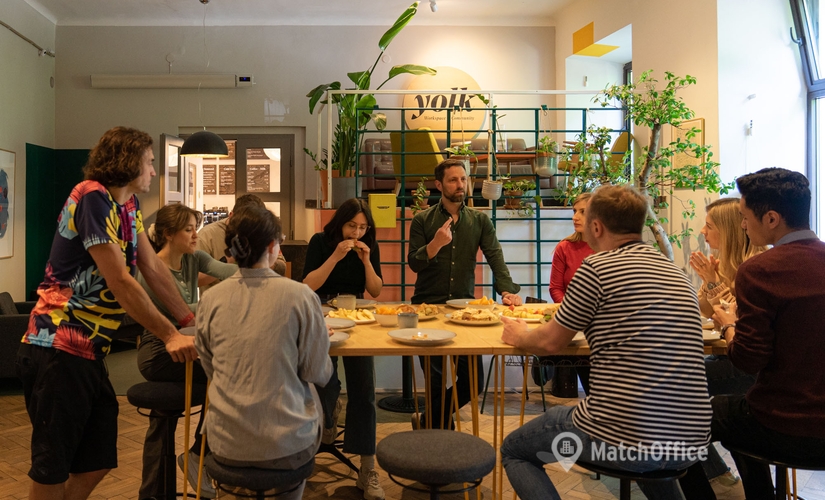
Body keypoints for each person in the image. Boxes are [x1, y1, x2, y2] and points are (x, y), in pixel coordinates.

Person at [16, 127, 199, 500]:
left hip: (89, 349)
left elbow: (152, 267)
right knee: (53, 465)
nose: (153, 171)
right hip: (57, 345)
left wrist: (188, 322)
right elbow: (119, 280)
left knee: (97, 460)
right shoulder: (92, 198)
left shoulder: (128, 205)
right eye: (149, 162)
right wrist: (168, 335)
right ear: (129, 162)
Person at [500, 185, 711, 500]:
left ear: (596, 227)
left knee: (514, 450)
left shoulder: (597, 268)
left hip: (624, 438)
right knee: (647, 451)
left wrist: (519, 335)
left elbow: (550, 343)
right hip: (691, 442)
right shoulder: (676, 273)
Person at [680, 168, 825, 500]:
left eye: (745, 217)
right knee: (737, 412)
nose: (743, 226)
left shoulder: (759, 270)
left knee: (682, 422)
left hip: (786, 424)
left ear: (771, 218)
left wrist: (729, 325)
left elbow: (747, 360)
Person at [195, 205, 333, 500]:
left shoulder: (210, 300)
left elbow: (210, 367)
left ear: (232, 250)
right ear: (272, 247)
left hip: (225, 443)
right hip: (288, 445)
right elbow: (317, 372)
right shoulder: (301, 296)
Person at [408, 158, 522, 430]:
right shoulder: (422, 220)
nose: (460, 185)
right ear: (439, 185)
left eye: (463, 179)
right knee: (435, 381)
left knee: (473, 382)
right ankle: (439, 435)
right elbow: (414, 263)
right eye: (453, 180)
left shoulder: (480, 220)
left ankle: (429, 420)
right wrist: (435, 245)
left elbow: (495, 256)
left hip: (465, 311)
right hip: (427, 310)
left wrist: (507, 290)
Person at [136, 204, 238, 499]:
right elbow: (183, 313)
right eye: (189, 230)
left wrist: (260, 267)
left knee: (224, 375)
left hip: (187, 345)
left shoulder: (194, 258)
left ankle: (195, 457)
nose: (196, 235)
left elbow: (229, 271)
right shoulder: (152, 270)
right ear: (169, 234)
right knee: (227, 376)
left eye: (196, 228)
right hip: (160, 352)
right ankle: (198, 456)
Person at [302, 198, 384, 500]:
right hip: (322, 314)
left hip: (358, 316)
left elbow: (375, 290)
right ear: (340, 223)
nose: (357, 233)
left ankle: (367, 466)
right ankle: (327, 417)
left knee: (364, 388)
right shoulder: (320, 242)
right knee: (322, 380)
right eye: (352, 226)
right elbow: (308, 285)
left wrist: (366, 261)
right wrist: (336, 257)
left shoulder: (368, 245)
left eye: (363, 227)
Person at [688, 197, 765, 487]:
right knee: (677, 391)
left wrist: (714, 284)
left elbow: (738, 319)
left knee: (672, 390)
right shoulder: (723, 263)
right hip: (729, 354)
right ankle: (717, 475)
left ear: (730, 229)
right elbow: (706, 311)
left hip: (750, 364)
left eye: (709, 226)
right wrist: (708, 281)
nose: (703, 232)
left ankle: (714, 477)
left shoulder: (755, 266)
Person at [544, 192, 593, 394]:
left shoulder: (608, 249)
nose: (575, 217)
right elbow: (555, 288)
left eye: (582, 212)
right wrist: (571, 312)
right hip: (573, 324)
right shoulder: (564, 247)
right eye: (574, 211)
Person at [197, 194, 286, 292]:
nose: (249, 229)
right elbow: (195, 279)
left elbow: (281, 266)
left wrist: (259, 259)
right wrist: (226, 262)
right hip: (220, 297)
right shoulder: (207, 235)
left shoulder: (262, 231)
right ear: (231, 216)